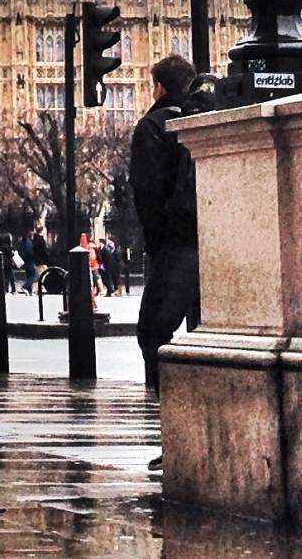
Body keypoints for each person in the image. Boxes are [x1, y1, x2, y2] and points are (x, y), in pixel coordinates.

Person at [130, 54, 202, 391]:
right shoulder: (208, 118)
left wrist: (155, 245)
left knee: (153, 332)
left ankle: (165, 404)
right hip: (214, 240)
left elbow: (148, 192)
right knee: (205, 331)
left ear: (159, 88)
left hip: (177, 243)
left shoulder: (154, 126)